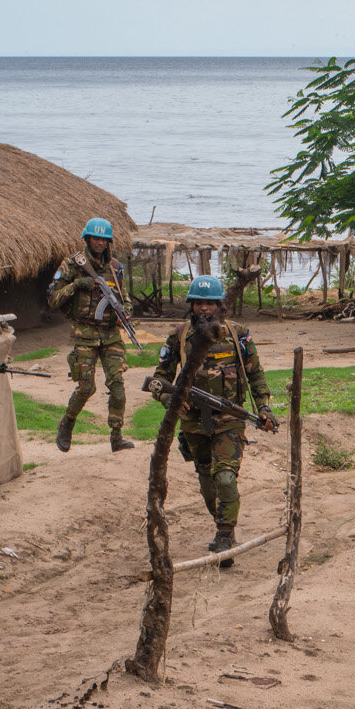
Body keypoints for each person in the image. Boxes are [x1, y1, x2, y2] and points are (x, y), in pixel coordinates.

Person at [146, 276, 277, 552]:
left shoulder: (238, 334)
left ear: (220, 306)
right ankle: (222, 525)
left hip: (229, 420)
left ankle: (225, 536)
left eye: (210, 304)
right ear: (191, 305)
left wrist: (263, 409)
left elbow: (255, 374)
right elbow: (160, 378)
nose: (205, 309)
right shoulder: (180, 335)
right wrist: (170, 398)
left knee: (226, 477)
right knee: (207, 483)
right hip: (194, 423)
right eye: (199, 303)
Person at [47, 217, 134, 452]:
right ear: (87, 239)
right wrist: (78, 284)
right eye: (95, 238)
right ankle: (66, 424)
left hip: (111, 335)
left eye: (103, 240)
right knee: (86, 387)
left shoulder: (115, 268)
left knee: (117, 387)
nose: (99, 243)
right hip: (84, 333)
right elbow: (53, 299)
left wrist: (125, 311)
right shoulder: (73, 264)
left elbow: (124, 297)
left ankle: (116, 436)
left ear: (108, 242)